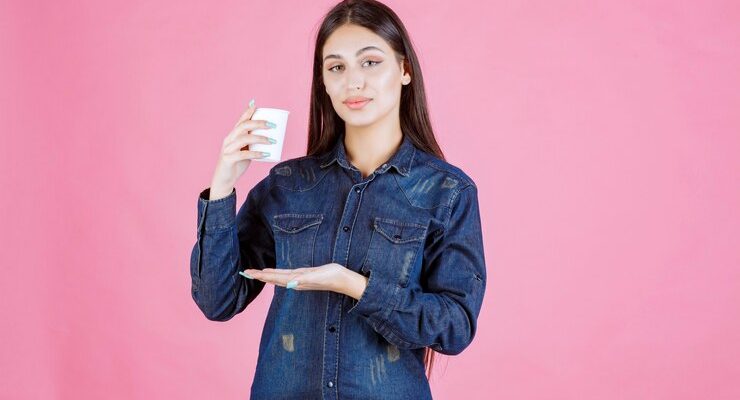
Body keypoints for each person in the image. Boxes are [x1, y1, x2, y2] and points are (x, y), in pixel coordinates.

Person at [189, 0, 487, 398]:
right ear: (324, 83)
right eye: (336, 67)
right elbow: (217, 300)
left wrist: (355, 285)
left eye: (370, 62)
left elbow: (454, 327)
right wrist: (223, 182)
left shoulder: (447, 193)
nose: (353, 82)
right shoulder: (288, 185)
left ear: (404, 70)